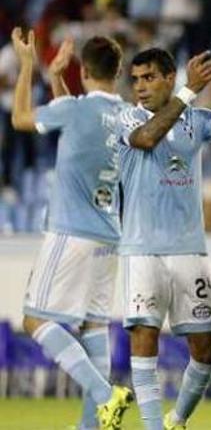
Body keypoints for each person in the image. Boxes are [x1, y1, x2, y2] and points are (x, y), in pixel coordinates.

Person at [116, 45, 211, 430]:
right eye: (135, 80)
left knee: (204, 348)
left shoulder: (197, 120)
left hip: (188, 250)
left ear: (168, 77)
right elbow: (147, 139)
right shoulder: (123, 118)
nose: (141, 87)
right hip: (142, 249)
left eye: (149, 78)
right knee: (144, 336)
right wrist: (188, 91)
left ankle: (177, 420)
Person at [9, 31, 134, 430]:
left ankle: (104, 394)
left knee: (34, 320)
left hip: (70, 232)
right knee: (93, 326)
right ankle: (91, 426)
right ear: (117, 72)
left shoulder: (77, 110)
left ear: (84, 71)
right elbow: (81, 123)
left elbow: (20, 118)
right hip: (109, 236)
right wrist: (56, 79)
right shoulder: (127, 114)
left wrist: (29, 65)